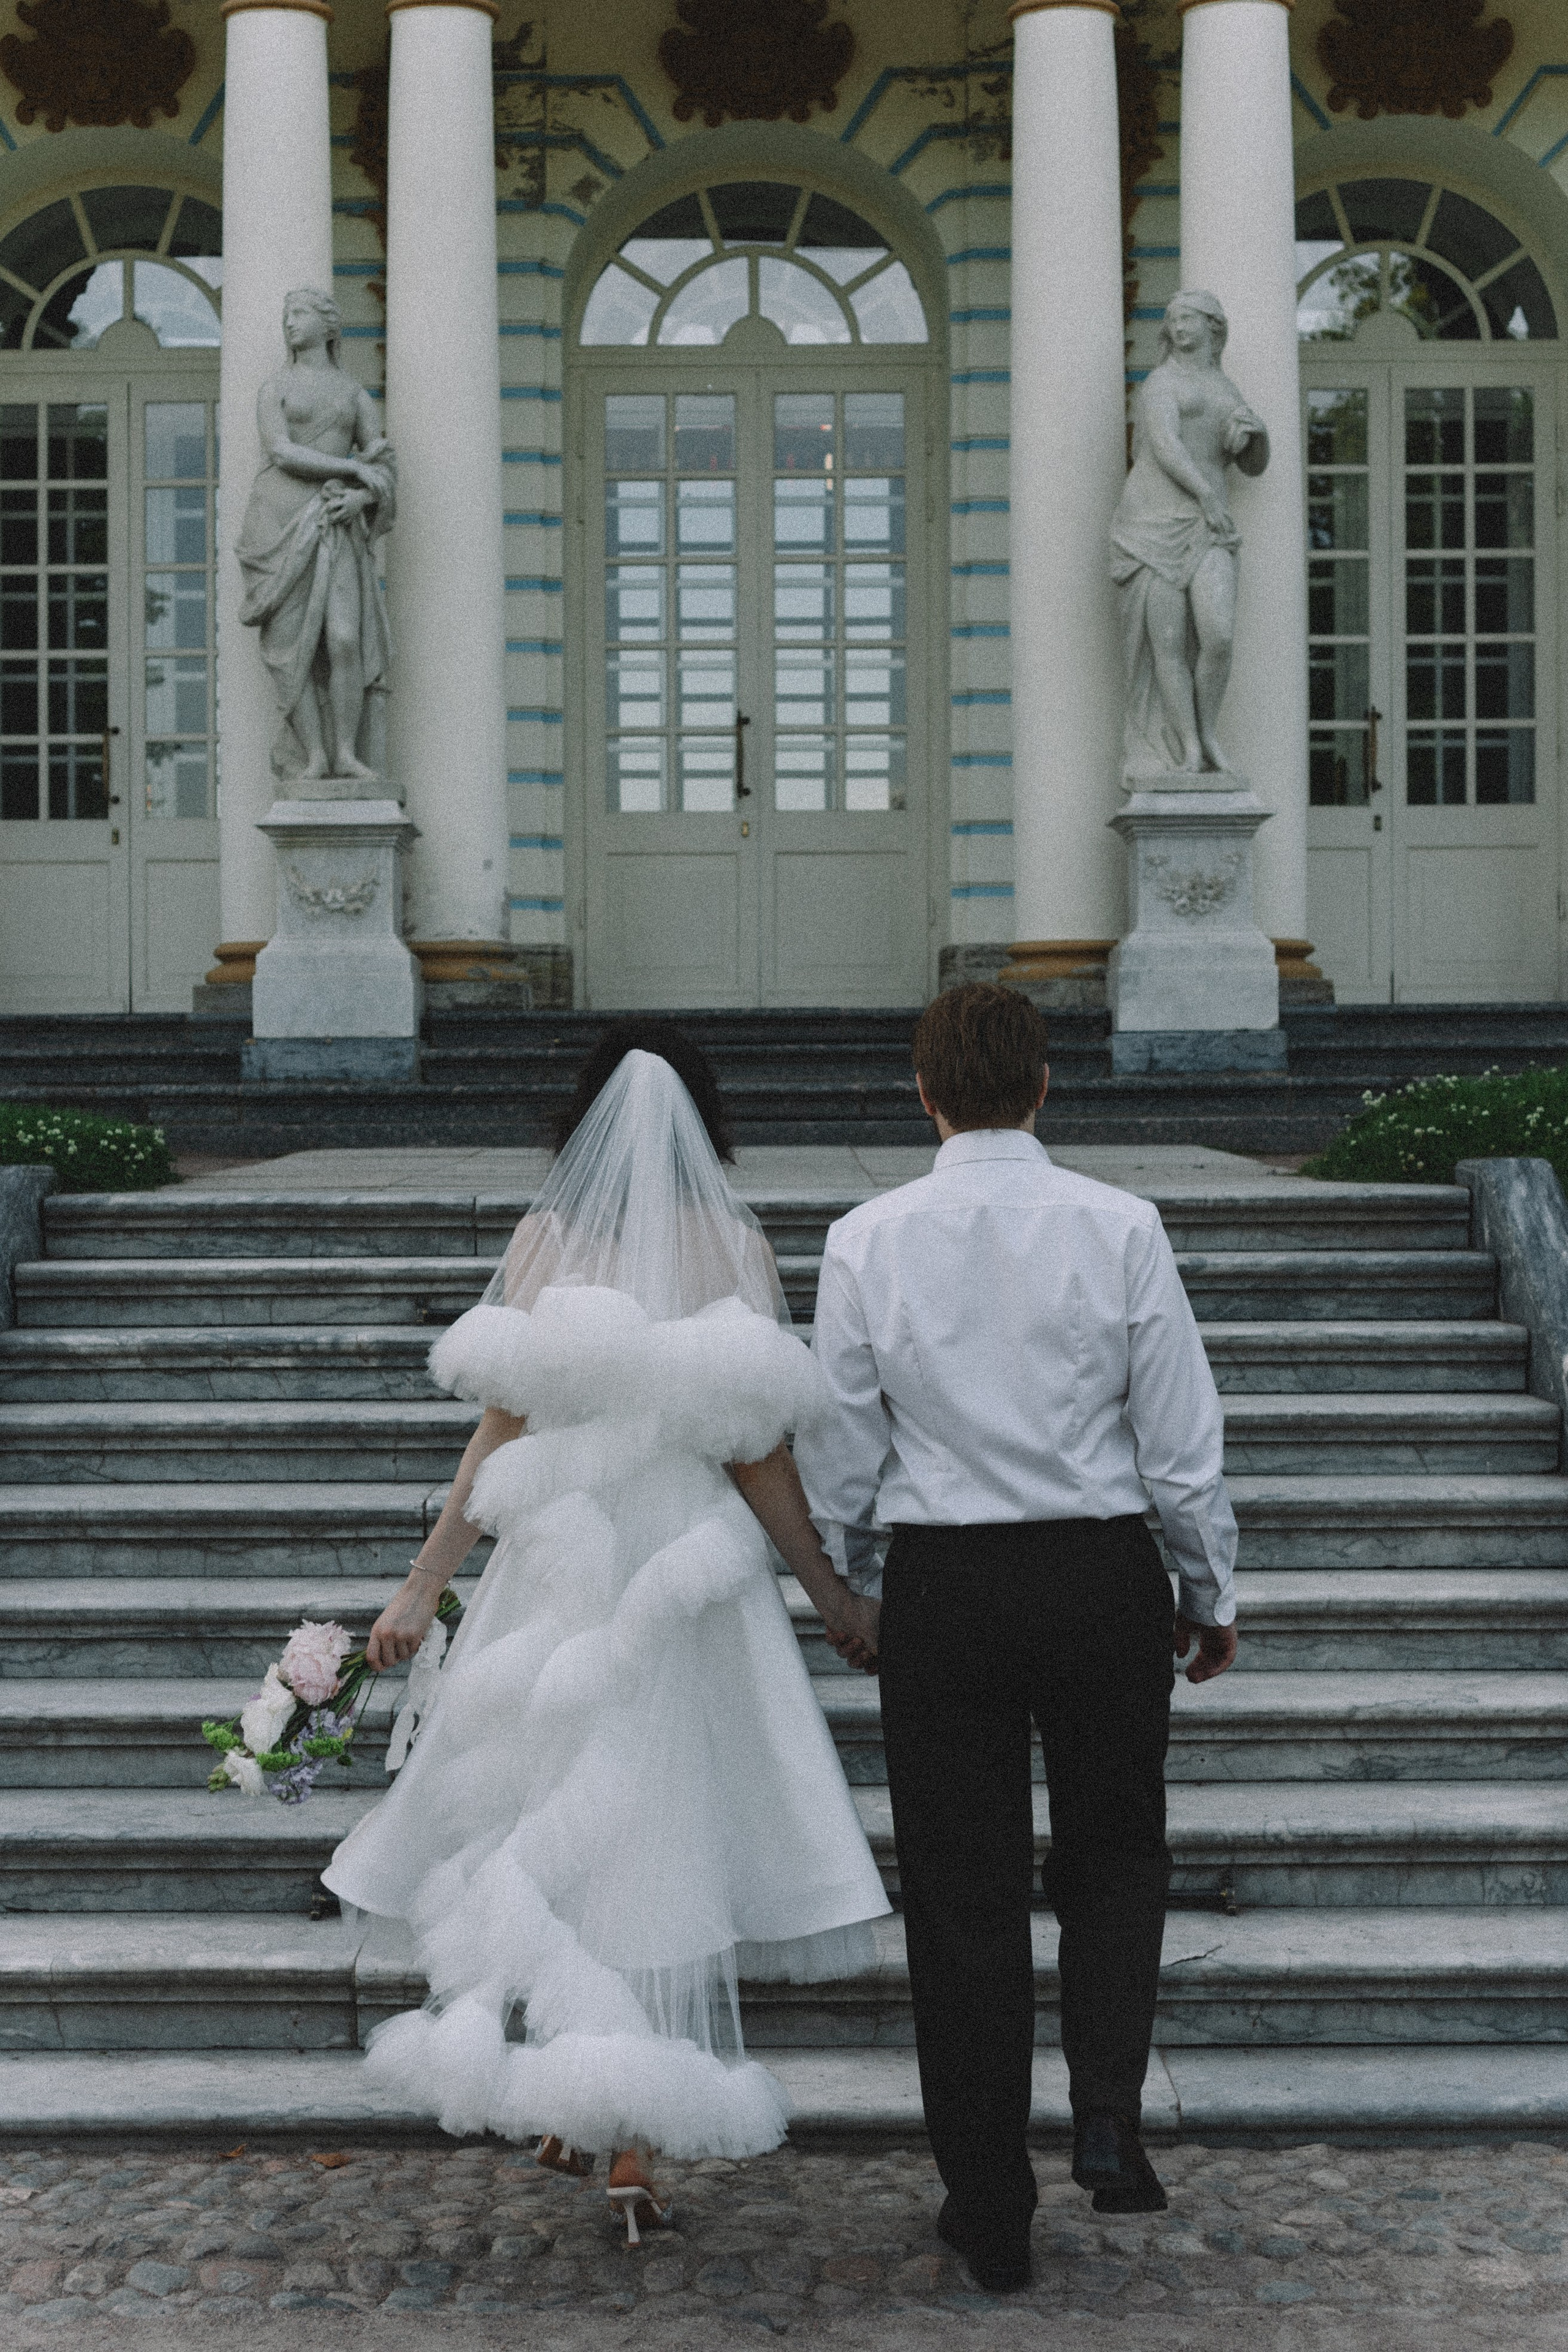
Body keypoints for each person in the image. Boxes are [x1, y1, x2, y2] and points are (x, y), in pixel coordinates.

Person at [323, 1020, 886, 2241]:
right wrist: (828, 1595)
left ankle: (580, 2100)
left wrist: (422, 1586)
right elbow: (757, 1452)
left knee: (559, 1823)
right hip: (681, 1576)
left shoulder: (548, 1240)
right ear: (705, 1119)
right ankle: (624, 2135)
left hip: (563, 1566)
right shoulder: (732, 1242)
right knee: (662, 1835)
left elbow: (500, 1431)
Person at [793, 982, 1239, 2292]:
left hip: (946, 1588)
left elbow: (841, 1442)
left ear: (923, 1095)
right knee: (1114, 1854)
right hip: (1099, 1574)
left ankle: (989, 2203)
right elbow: (1177, 1437)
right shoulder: (1120, 1227)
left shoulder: (867, 1238)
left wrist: (851, 1587)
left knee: (961, 1896)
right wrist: (1206, 1594)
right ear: (1044, 1087)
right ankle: (1105, 2111)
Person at [235, 287, 395, 784]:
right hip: (277, 523)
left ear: (329, 326)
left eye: (299, 314)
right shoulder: (274, 388)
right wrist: (352, 469)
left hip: (335, 521)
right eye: (286, 315)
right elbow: (282, 452)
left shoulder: (352, 393)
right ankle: (315, 757)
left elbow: (384, 464)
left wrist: (362, 499)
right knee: (289, 649)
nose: (289, 324)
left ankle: (346, 753)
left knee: (344, 639)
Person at [1110, 288, 1268, 776]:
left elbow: (1254, 466)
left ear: (1212, 327)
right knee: (1169, 645)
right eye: (1172, 319)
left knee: (1218, 634)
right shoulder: (1161, 383)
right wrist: (1207, 496)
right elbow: (1164, 446)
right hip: (1154, 522)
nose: (1178, 328)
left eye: (1189, 319)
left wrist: (1257, 436)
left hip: (1208, 522)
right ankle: (1191, 749)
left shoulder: (1226, 389)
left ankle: (1208, 731)